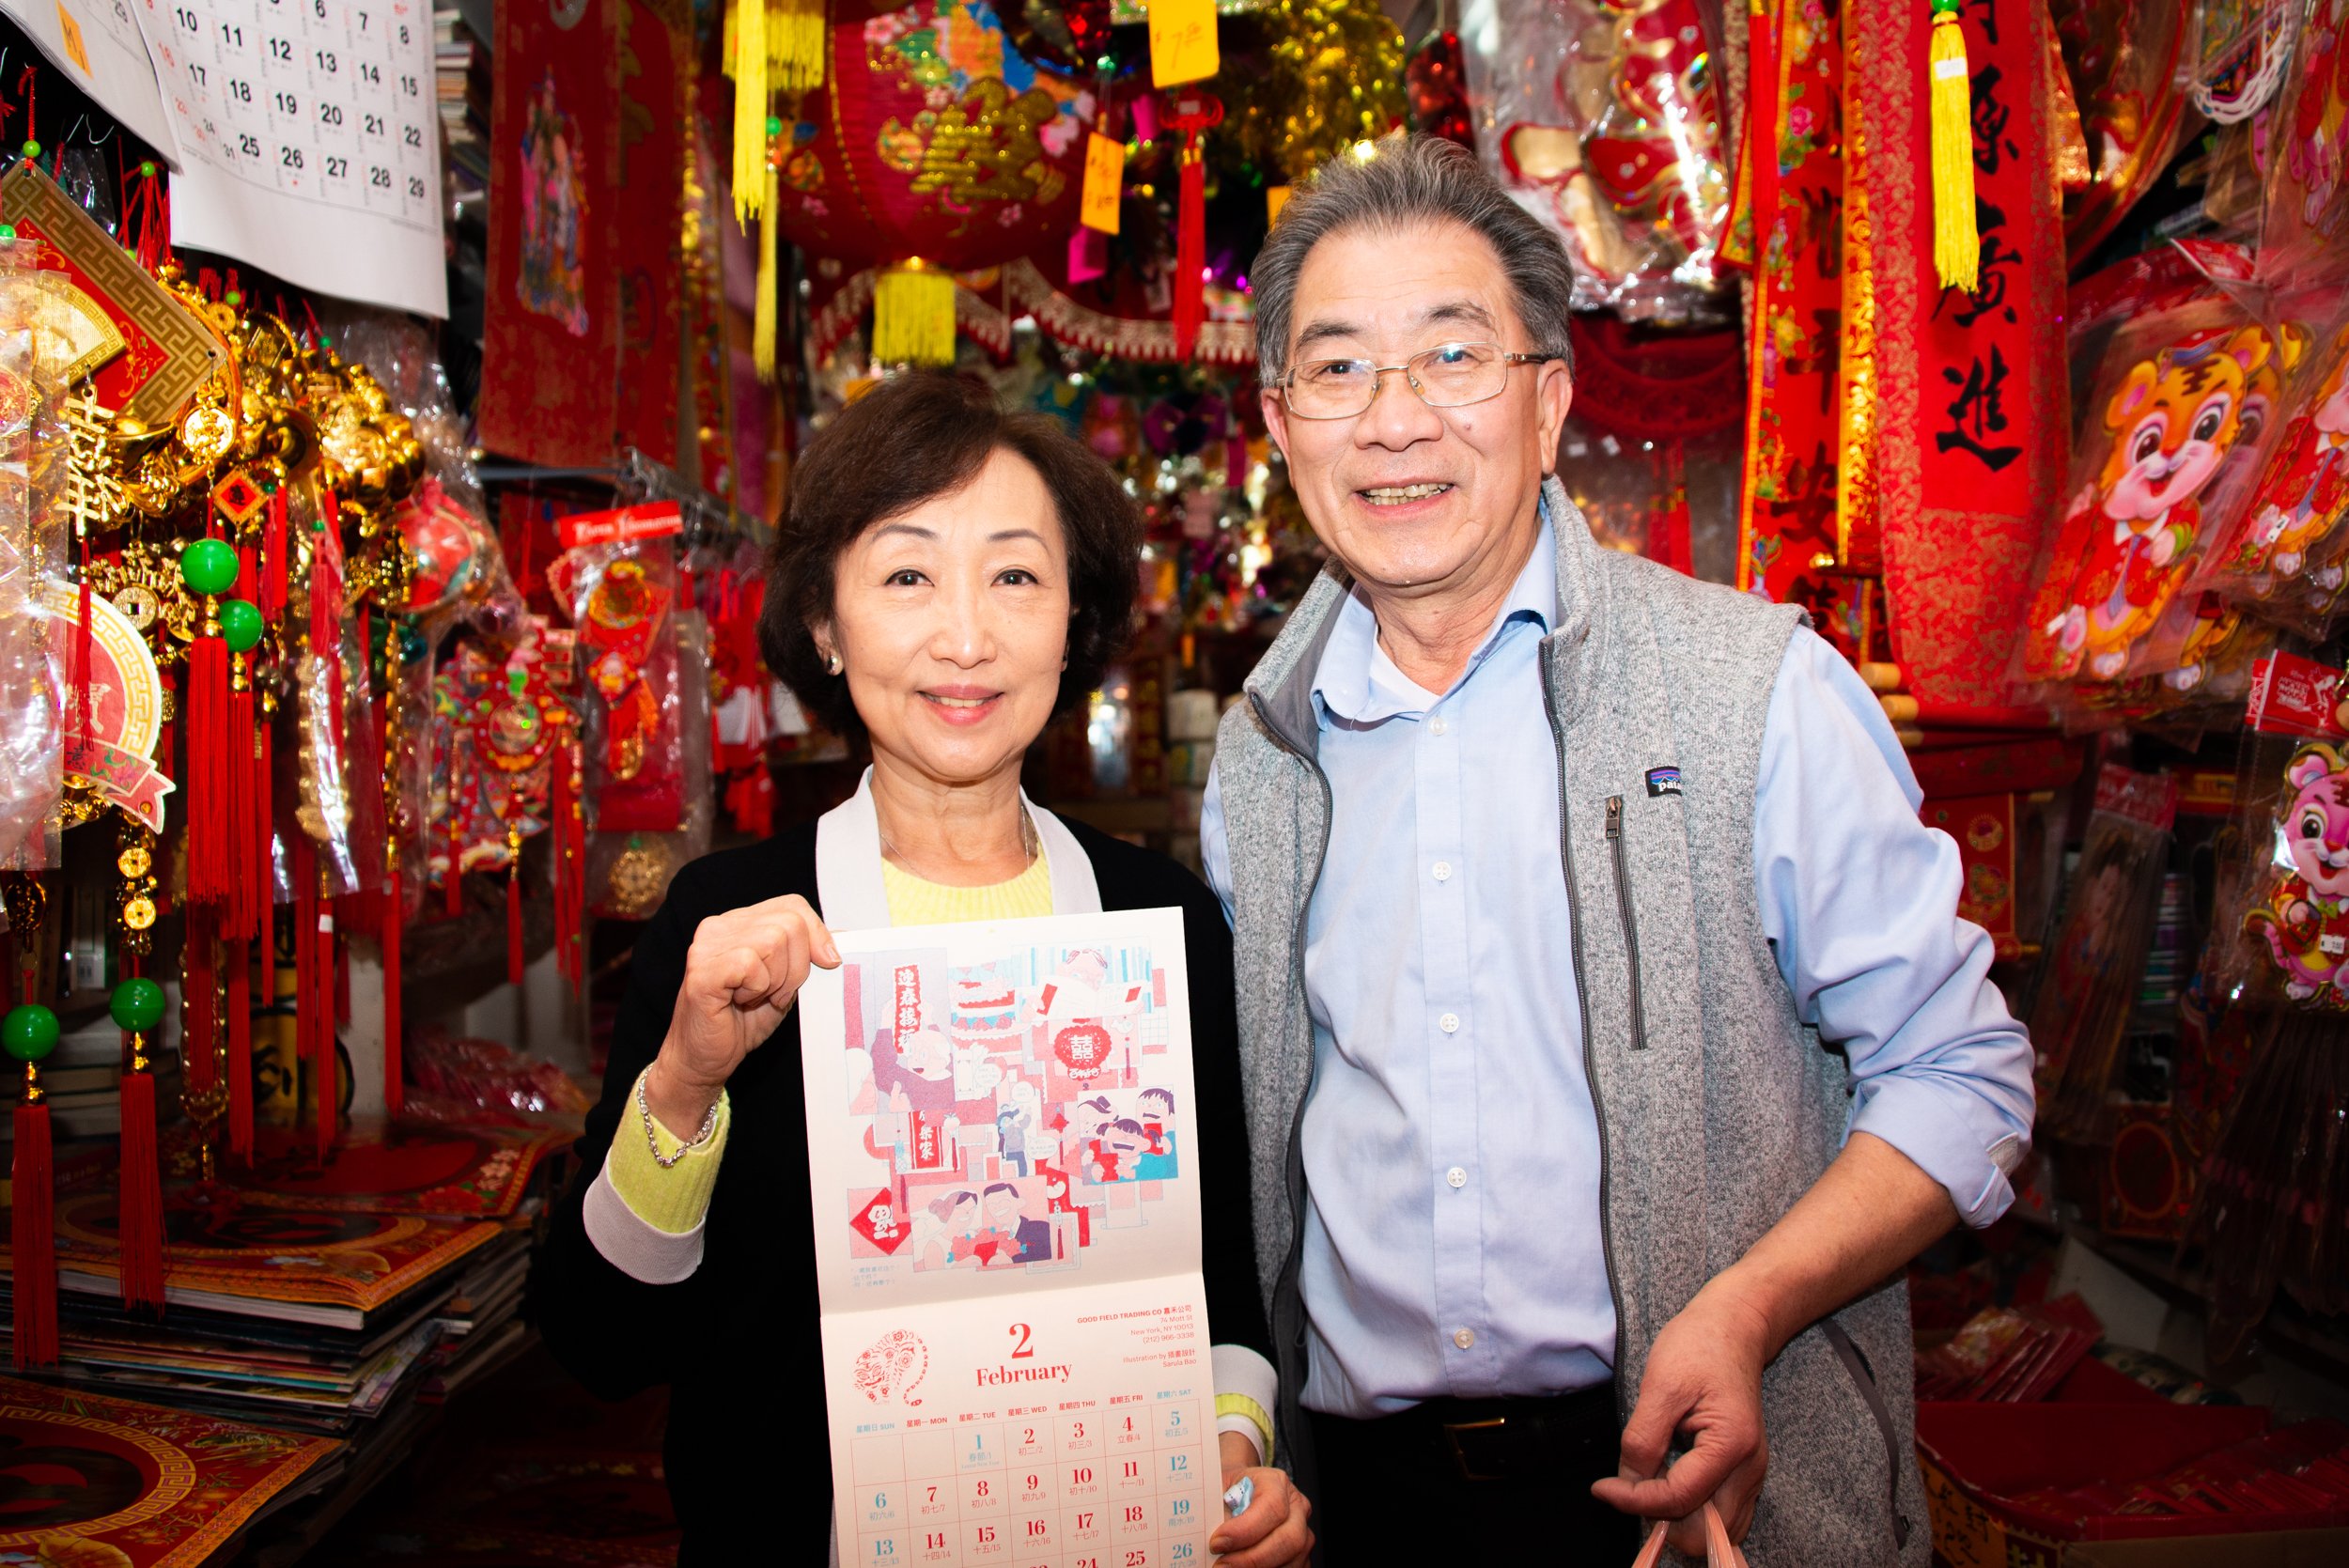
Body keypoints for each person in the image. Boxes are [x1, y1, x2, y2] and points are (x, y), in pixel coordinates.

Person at [1202, 134, 2035, 1564]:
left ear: (1548, 401)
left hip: (1700, 1478)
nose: (1394, 421)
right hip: (1360, 1507)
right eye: (1337, 369)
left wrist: (1746, 1306)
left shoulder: (1752, 689)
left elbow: (1964, 1073)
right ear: (1283, 425)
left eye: (1453, 356)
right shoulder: (1257, 758)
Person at [531, 374, 1314, 1566]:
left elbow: (1217, 1290)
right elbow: (600, 1343)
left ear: (1073, 624)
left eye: (1014, 576)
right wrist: (685, 1083)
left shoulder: (1158, 925)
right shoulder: (732, 924)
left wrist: (1234, 1448)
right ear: (829, 627)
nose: (966, 636)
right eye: (907, 576)